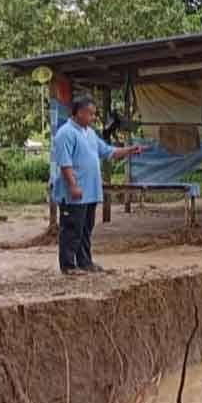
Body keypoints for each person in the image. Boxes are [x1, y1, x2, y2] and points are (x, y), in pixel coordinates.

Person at [53, 94, 144, 275]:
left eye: (94, 114)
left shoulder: (90, 133)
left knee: (85, 229)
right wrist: (73, 185)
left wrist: (129, 151)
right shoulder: (66, 133)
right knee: (72, 229)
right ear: (78, 112)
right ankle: (68, 265)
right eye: (91, 114)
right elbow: (64, 162)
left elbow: (108, 151)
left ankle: (85, 262)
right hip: (74, 193)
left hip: (90, 192)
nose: (94, 118)